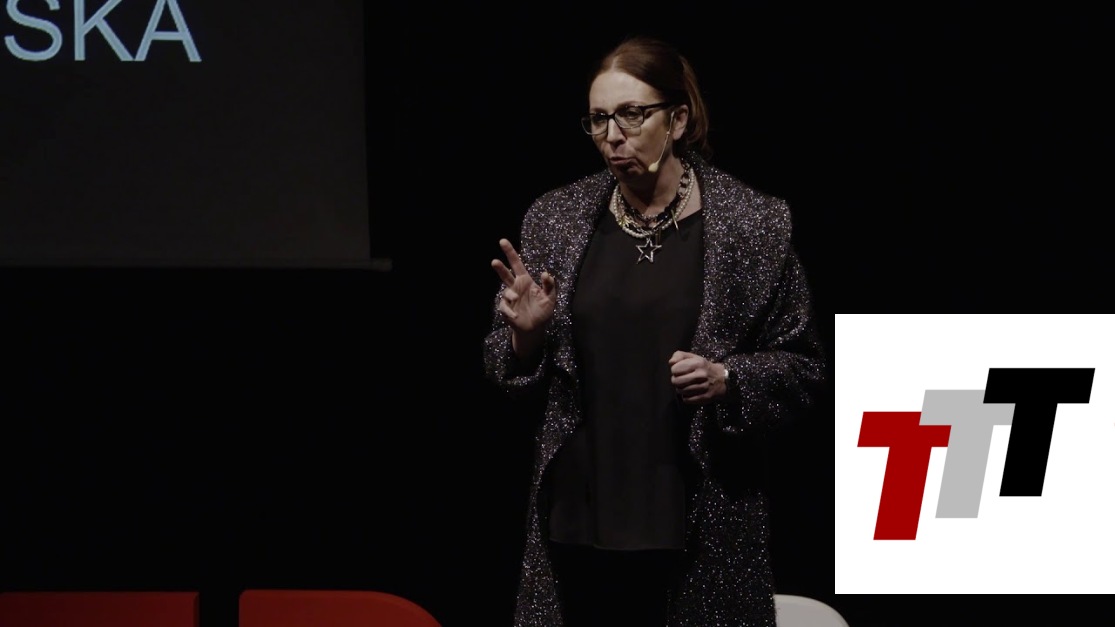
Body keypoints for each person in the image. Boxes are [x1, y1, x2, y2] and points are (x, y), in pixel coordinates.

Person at [482, 34, 826, 627]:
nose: (613, 136)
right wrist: (527, 337)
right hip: (579, 520)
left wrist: (728, 379)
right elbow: (502, 363)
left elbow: (804, 368)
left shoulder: (751, 223)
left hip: (698, 519)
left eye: (632, 115)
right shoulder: (557, 219)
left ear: (678, 119)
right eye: (598, 120)